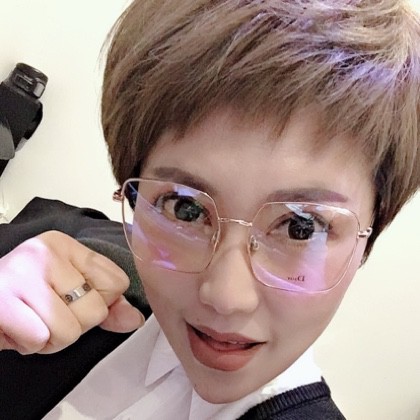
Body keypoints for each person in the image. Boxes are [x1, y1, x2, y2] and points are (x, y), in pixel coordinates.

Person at [1, 0, 420, 418]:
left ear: (369, 235)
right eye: (185, 208)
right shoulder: (57, 257)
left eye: (301, 227)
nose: (226, 297)